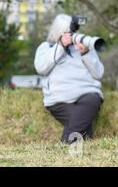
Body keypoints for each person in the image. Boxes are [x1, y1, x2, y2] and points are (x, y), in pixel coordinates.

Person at [34, 14, 104, 143]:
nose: (71, 35)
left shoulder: (82, 45)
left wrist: (86, 53)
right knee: (84, 127)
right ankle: (73, 149)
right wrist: (60, 46)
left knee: (92, 100)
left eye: (73, 31)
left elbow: (98, 73)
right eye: (67, 32)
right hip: (59, 99)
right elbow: (41, 68)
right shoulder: (46, 47)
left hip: (86, 94)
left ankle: (65, 146)